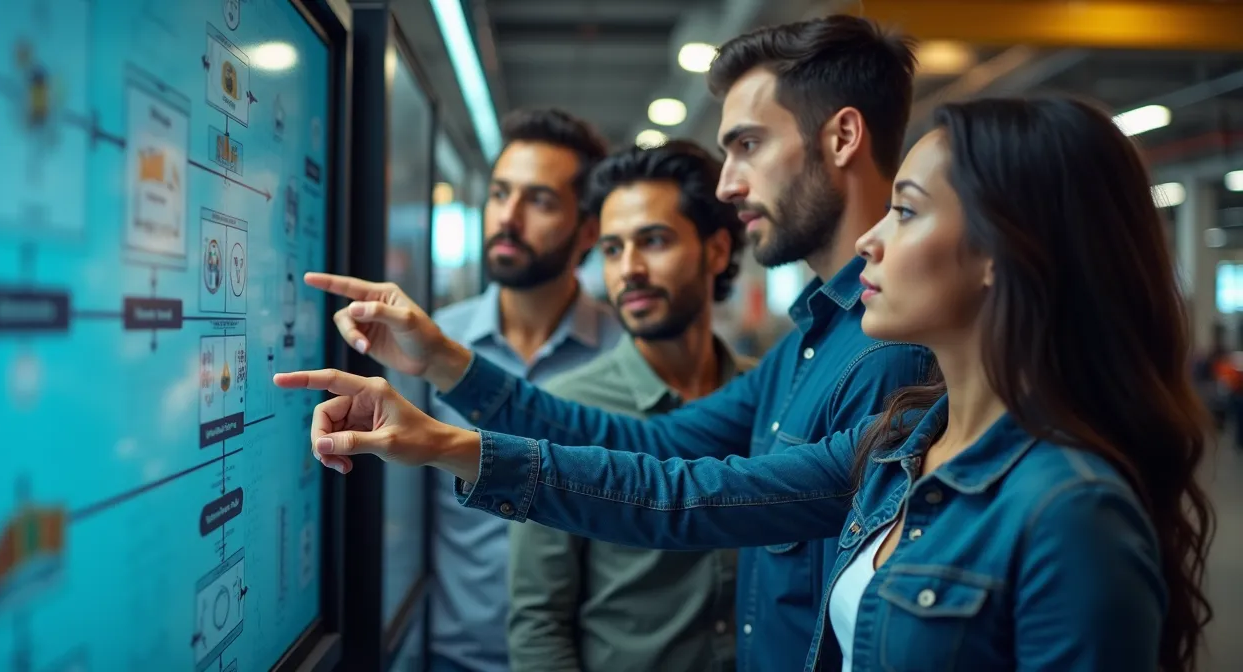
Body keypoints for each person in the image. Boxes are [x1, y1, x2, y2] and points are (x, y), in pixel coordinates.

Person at [277, 96, 1215, 671]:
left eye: (909, 211)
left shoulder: (1071, 514)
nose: (874, 242)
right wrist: (441, 431)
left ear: (1007, 258)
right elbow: (676, 488)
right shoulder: (899, 441)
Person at [305, 17, 933, 670]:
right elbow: (644, 442)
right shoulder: (813, 340)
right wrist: (444, 362)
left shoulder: (892, 352)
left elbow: (692, 498)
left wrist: (447, 444)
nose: (728, 184)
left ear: (842, 136)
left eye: (748, 144)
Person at [307, 108, 621, 672]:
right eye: (500, 194)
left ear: (589, 230)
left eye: (540, 201)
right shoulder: (425, 342)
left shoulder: (625, 356)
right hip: (450, 656)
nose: (509, 217)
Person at [507, 141, 754, 672]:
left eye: (655, 241)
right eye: (614, 250)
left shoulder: (772, 396)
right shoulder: (567, 411)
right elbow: (539, 622)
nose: (630, 270)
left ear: (715, 251)